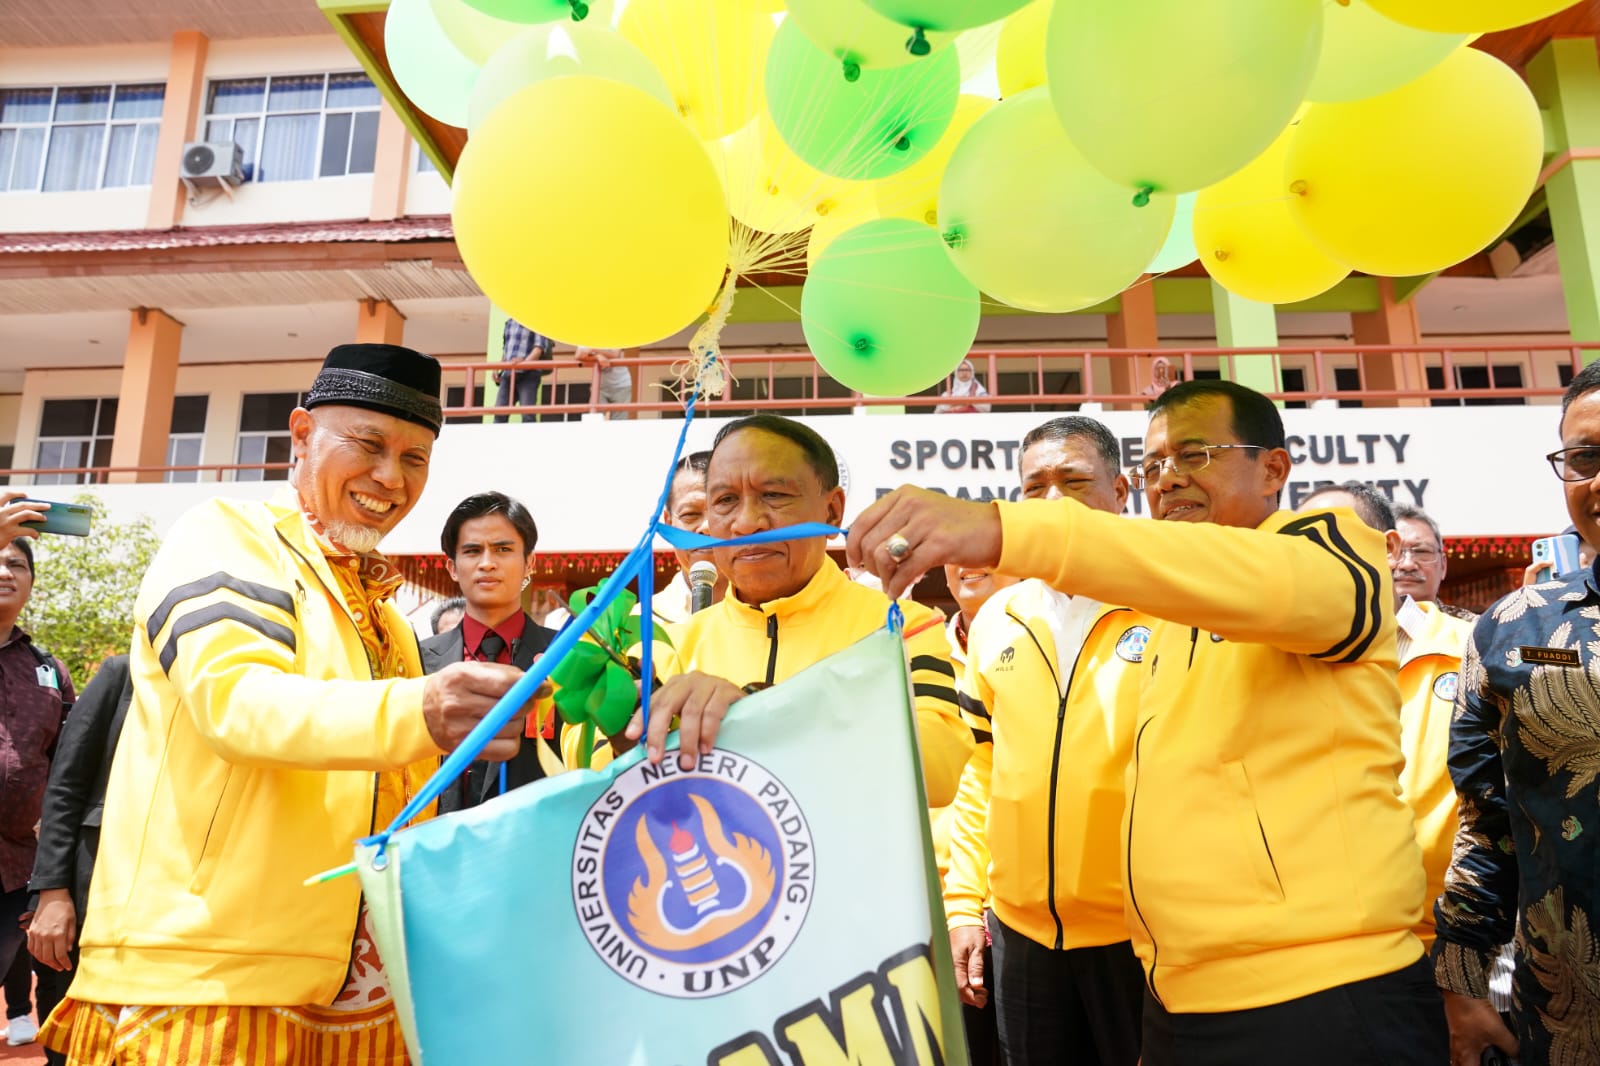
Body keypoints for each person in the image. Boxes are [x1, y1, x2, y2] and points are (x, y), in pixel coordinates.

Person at [847, 379, 1446, 1065]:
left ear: (1273, 468)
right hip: (1174, 989)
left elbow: (1250, 578)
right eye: (1157, 462)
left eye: (1197, 454)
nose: (1171, 480)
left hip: (1323, 992)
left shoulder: (1332, 555)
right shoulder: (1155, 614)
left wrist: (1000, 531)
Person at [39, 343, 540, 1066]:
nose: (389, 478)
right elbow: (236, 702)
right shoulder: (229, 536)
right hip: (210, 977)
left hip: (360, 989)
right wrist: (419, 713)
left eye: (415, 459)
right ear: (300, 435)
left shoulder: (390, 615)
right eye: (368, 445)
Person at [627, 414, 973, 809]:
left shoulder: (901, 627)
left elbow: (939, 767)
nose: (746, 523)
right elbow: (604, 767)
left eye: (773, 495)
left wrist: (756, 711)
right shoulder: (667, 644)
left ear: (832, 511)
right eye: (725, 501)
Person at [946, 416, 1150, 1066]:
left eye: (1075, 481)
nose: (1053, 501)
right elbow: (982, 769)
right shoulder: (997, 620)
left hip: (1144, 937)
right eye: (1035, 487)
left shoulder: (1173, 608)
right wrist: (962, 908)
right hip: (1021, 933)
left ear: (1122, 491)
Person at [1432, 360, 1600, 1066]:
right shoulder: (1514, 629)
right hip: (1571, 1024)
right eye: (1585, 458)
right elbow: (1489, 822)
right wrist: (1463, 989)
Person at [1300, 482, 1473, 952]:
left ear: (1388, 548)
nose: (1317, 556)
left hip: (1451, 930)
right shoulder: (1273, 652)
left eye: (1336, 538)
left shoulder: (1472, 647)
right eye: (1299, 543)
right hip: (1325, 935)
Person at [25, 654, 134, 1066]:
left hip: (189, 904)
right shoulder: (122, 674)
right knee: (78, 1040)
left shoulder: (233, 690)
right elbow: (65, 786)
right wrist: (52, 892)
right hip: (97, 891)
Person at [421, 492, 560, 811]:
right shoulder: (419, 659)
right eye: (472, 551)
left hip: (534, 843)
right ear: (453, 567)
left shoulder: (563, 655)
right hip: (438, 845)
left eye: (503, 549)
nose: (487, 563)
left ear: (529, 562)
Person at [937, 557, 1015, 1066]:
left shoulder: (1054, 648)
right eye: (953, 550)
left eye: (985, 546)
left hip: (1017, 911)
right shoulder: (913, 644)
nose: (968, 561)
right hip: (935, 904)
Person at [0, 534, 74, 1051]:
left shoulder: (47, 669)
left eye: (16, 563)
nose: (5, 571)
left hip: (16, 868)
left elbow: (67, 769)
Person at [653, 451, 728, 626]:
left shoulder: (774, 618)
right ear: (669, 522)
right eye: (691, 514)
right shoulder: (639, 625)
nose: (706, 527)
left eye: (721, 512)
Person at [493, 318, 554, 424]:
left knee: (527, 415)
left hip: (529, 374)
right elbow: (506, 349)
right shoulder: (509, 322)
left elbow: (539, 348)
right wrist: (499, 367)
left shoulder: (536, 321)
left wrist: (524, 363)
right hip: (509, 373)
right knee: (499, 414)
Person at [577, 347, 632, 420]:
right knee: (595, 417)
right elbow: (578, 355)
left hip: (621, 384)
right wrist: (597, 357)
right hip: (600, 386)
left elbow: (614, 354)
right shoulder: (587, 337)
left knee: (619, 421)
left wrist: (593, 349)